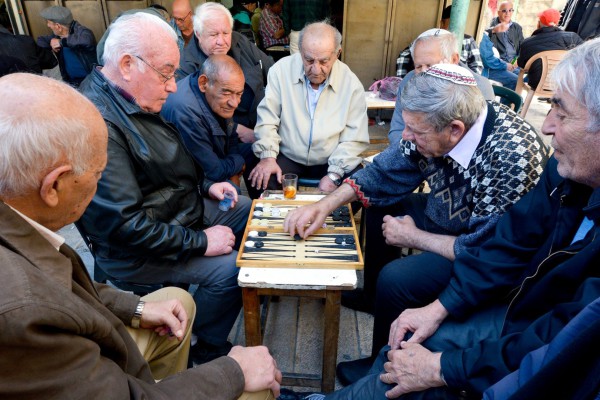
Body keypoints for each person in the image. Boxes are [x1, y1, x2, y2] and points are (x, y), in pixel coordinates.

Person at [292, 37, 600, 400]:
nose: (547, 127)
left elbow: (487, 248)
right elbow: (389, 169)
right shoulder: (565, 170)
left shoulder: (514, 157)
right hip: (467, 237)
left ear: (454, 130)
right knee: (380, 208)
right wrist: (325, 205)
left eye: (560, 113)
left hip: (489, 265)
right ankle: (380, 355)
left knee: (398, 280)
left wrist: (415, 238)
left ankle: (378, 361)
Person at [0, 72, 281, 399]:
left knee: (179, 303)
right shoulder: (23, 313)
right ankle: (206, 352)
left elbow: (67, 287)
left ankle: (174, 370)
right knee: (258, 389)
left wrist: (134, 309)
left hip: (172, 227)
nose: (175, 85)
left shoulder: (21, 225)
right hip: (136, 267)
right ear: (53, 187)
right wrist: (232, 371)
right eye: (97, 173)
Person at [78, 12, 252, 365]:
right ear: (128, 64)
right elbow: (126, 228)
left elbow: (167, 169)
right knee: (233, 270)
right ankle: (200, 344)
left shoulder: (130, 95)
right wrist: (203, 242)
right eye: (167, 74)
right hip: (138, 253)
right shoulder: (100, 125)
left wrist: (207, 186)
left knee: (247, 208)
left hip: (179, 213)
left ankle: (228, 307)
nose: (174, 86)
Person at [249, 21, 369, 194]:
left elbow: (353, 138)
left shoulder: (351, 83)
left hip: (331, 159)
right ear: (300, 52)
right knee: (260, 178)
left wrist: (335, 174)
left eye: (324, 61)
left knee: (359, 184)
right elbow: (267, 119)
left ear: (337, 54)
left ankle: (324, 220)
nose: (316, 69)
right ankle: (283, 221)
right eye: (309, 60)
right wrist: (268, 156)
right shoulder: (280, 71)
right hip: (289, 155)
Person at [179, 2, 273, 196]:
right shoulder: (186, 66)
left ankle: (262, 213)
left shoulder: (239, 41)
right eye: (214, 35)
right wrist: (240, 131)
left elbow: (272, 69)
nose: (222, 41)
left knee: (270, 172)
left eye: (226, 32)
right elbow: (199, 117)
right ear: (198, 34)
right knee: (250, 157)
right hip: (223, 139)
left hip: (259, 125)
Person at [388, 29, 494, 148]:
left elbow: (475, 143)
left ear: (453, 60)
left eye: (430, 66)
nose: (424, 73)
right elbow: (397, 131)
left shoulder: (480, 87)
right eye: (418, 66)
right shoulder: (410, 80)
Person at [161, 54, 248, 193]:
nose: (235, 103)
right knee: (236, 197)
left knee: (259, 156)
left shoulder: (219, 92)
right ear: (203, 83)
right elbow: (213, 171)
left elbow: (230, 135)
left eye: (239, 94)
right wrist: (238, 164)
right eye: (227, 93)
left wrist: (235, 166)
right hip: (191, 182)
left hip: (214, 156)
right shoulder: (186, 112)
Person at [396, 5, 483, 78]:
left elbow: (477, 68)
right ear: (442, 24)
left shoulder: (468, 41)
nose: (453, 31)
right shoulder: (429, 38)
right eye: (450, 25)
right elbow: (404, 55)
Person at [517, 8, 583, 90]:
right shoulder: (572, 37)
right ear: (557, 23)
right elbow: (583, 58)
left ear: (539, 23)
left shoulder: (527, 43)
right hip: (563, 85)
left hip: (537, 84)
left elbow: (521, 65)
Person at [36, 5, 96, 86]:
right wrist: (50, 48)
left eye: (49, 22)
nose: (48, 25)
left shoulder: (82, 32)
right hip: (71, 82)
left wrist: (61, 42)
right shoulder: (56, 36)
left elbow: (87, 40)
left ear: (58, 26)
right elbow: (41, 40)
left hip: (91, 81)